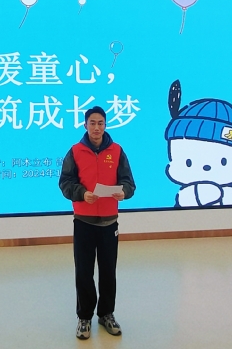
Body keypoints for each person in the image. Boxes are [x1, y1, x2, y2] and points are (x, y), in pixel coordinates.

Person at [59, 106, 136, 340]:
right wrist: (82, 193)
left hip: (109, 223)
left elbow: (129, 183)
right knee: (83, 272)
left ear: (105, 125)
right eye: (92, 123)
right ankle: (84, 317)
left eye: (100, 123)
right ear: (85, 125)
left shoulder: (117, 150)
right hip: (84, 221)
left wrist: (124, 192)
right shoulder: (75, 151)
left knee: (108, 272)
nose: (96, 127)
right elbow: (65, 183)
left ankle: (106, 314)